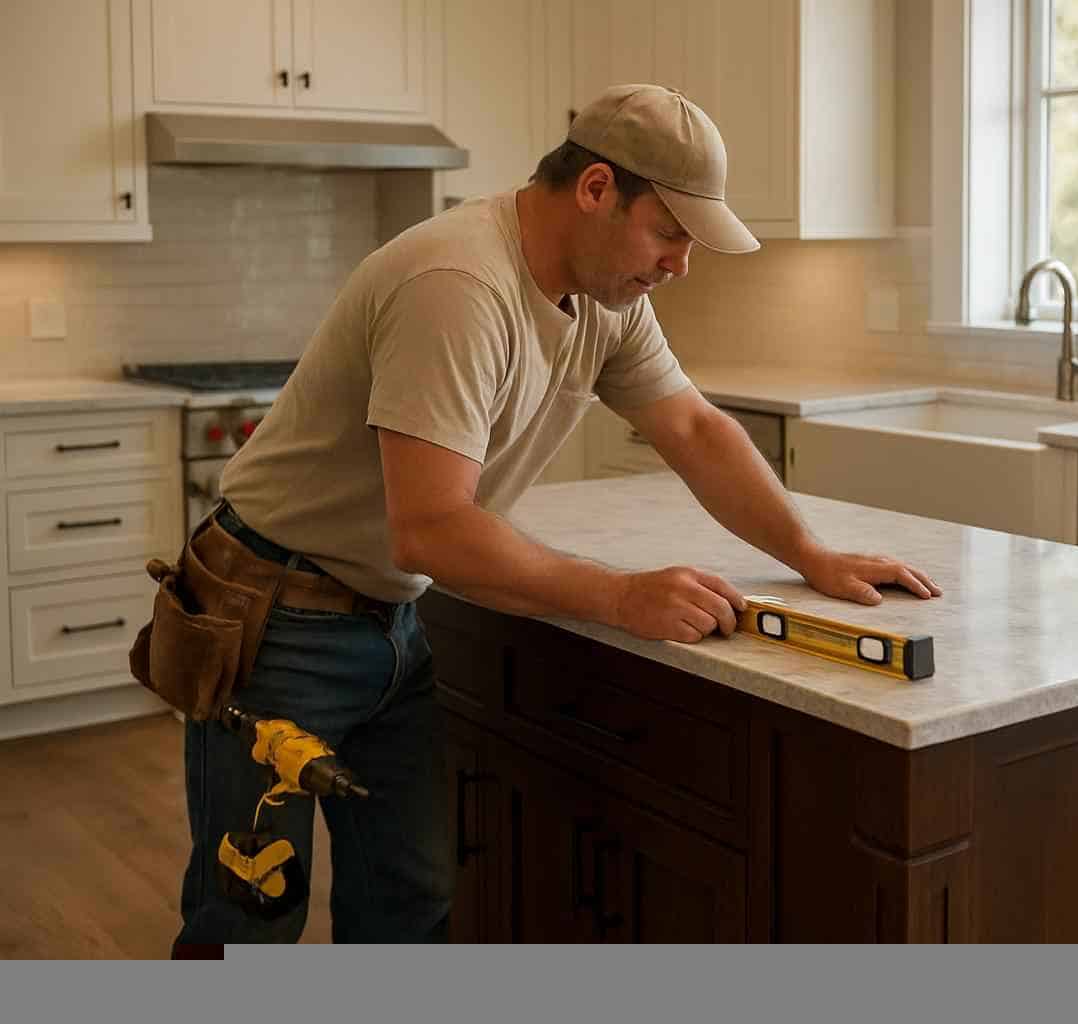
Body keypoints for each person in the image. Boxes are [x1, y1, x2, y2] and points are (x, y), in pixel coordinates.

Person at [173, 83, 941, 947]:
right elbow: (428, 528)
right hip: (275, 617)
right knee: (248, 914)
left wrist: (811, 553)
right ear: (597, 189)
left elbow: (690, 425)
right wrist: (617, 595)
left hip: (388, 617)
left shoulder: (606, 298)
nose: (680, 263)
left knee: (409, 897)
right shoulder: (458, 285)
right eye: (671, 232)